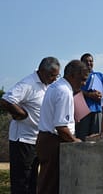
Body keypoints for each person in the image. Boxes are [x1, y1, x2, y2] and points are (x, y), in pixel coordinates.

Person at [0, 57, 60, 194]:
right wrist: (22, 114)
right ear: (42, 71)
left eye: (56, 76)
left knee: (33, 181)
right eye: (52, 75)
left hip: (37, 140)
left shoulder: (48, 86)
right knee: (22, 182)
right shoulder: (28, 84)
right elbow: (6, 100)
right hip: (23, 141)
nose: (54, 79)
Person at [36, 60, 89, 194]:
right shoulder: (64, 91)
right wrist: (75, 141)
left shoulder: (55, 86)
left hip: (47, 140)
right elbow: (61, 127)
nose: (83, 84)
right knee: (51, 186)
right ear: (72, 75)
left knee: (47, 183)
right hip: (54, 142)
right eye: (82, 79)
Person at [75, 53, 103, 141]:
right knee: (82, 138)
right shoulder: (77, 76)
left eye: (91, 61)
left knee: (96, 138)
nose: (89, 63)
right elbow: (74, 90)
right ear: (81, 63)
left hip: (97, 110)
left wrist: (100, 95)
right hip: (82, 111)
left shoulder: (100, 75)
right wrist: (88, 94)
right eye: (86, 61)